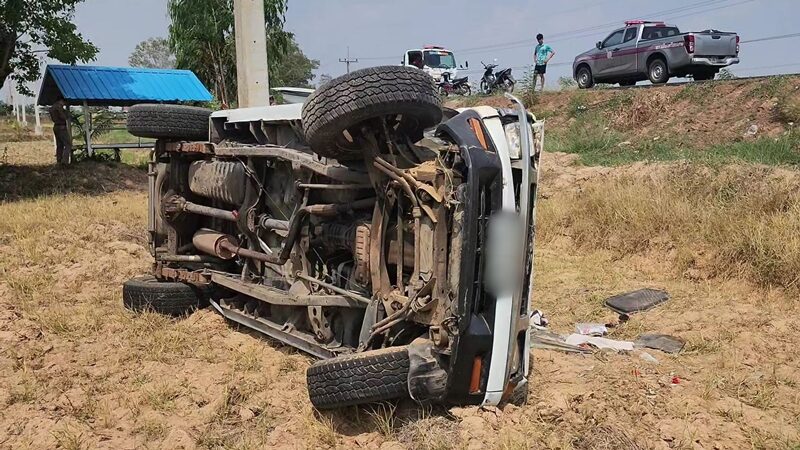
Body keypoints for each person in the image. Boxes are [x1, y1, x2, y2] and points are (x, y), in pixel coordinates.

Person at [49, 95, 72, 165]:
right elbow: (63, 117)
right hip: (62, 127)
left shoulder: (52, 108)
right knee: (68, 144)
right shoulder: (59, 107)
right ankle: (64, 162)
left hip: (56, 126)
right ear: (61, 100)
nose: (64, 104)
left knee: (59, 145)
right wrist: (67, 114)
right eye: (64, 102)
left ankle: (59, 161)